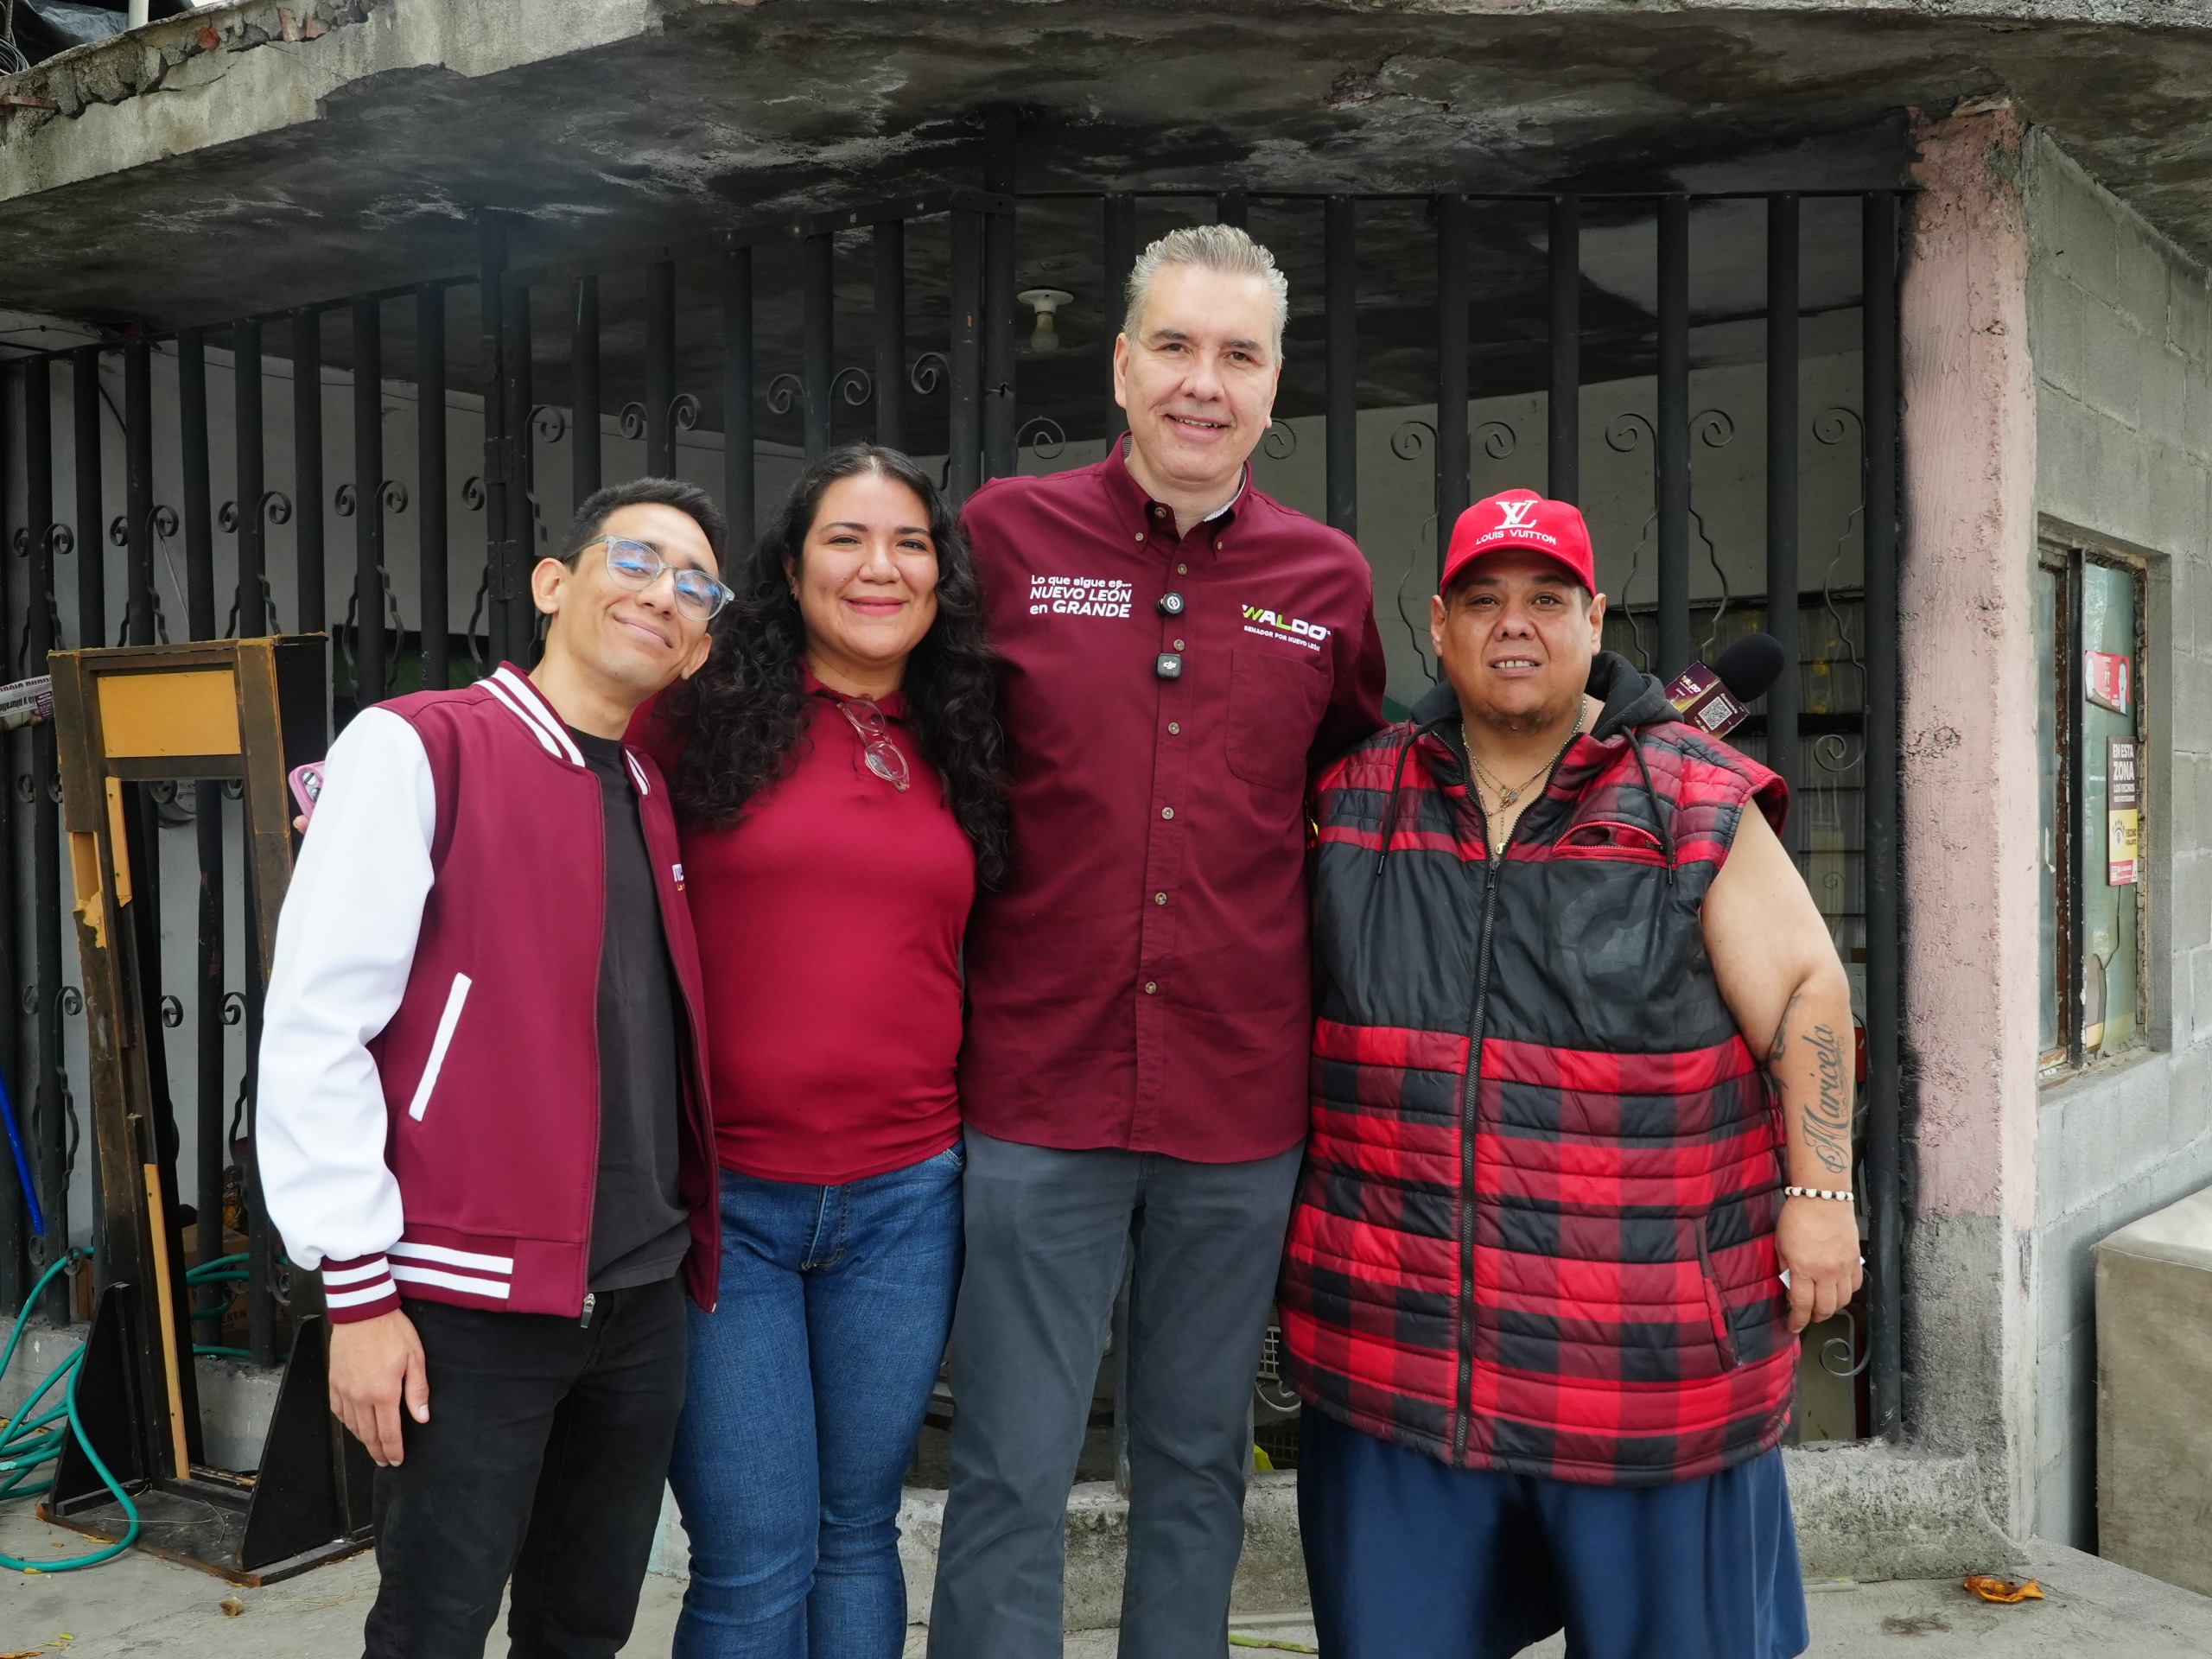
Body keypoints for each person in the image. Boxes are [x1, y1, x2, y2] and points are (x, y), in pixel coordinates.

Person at [1279, 487, 1862, 1658]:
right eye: (1483, 601)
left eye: (1547, 600)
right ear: (1437, 625)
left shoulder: (1692, 797)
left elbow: (1808, 991)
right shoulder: (1352, 801)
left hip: (1645, 1365)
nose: (1514, 625)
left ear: (1595, 621)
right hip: (1397, 1356)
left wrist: (1823, 1195)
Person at [928, 225, 1388, 1659]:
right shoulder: (1002, 536)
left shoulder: (1327, 583)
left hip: (1240, 1098)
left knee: (1197, 1463)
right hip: (1036, 1087)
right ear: (1121, 366)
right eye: (1176, 347)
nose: (1205, 383)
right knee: (1010, 1460)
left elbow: (1372, 798)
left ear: (1273, 386)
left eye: (1238, 355)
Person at [257, 477, 730, 1658]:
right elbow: (319, 1027)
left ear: (701, 641)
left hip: (636, 1294)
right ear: (553, 583)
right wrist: (356, 1291)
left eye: (693, 583)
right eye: (635, 558)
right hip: (465, 1301)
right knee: (433, 1625)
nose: (663, 592)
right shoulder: (423, 746)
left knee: (583, 1626)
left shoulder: (648, 789)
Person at [637, 444, 1008, 1659]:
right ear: (790, 570)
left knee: (858, 1534)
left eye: (909, 541)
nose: (878, 566)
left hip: (905, 1201)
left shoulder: (962, 735)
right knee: (751, 1562)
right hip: (726, 1206)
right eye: (845, 538)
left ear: (940, 573)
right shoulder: (695, 717)